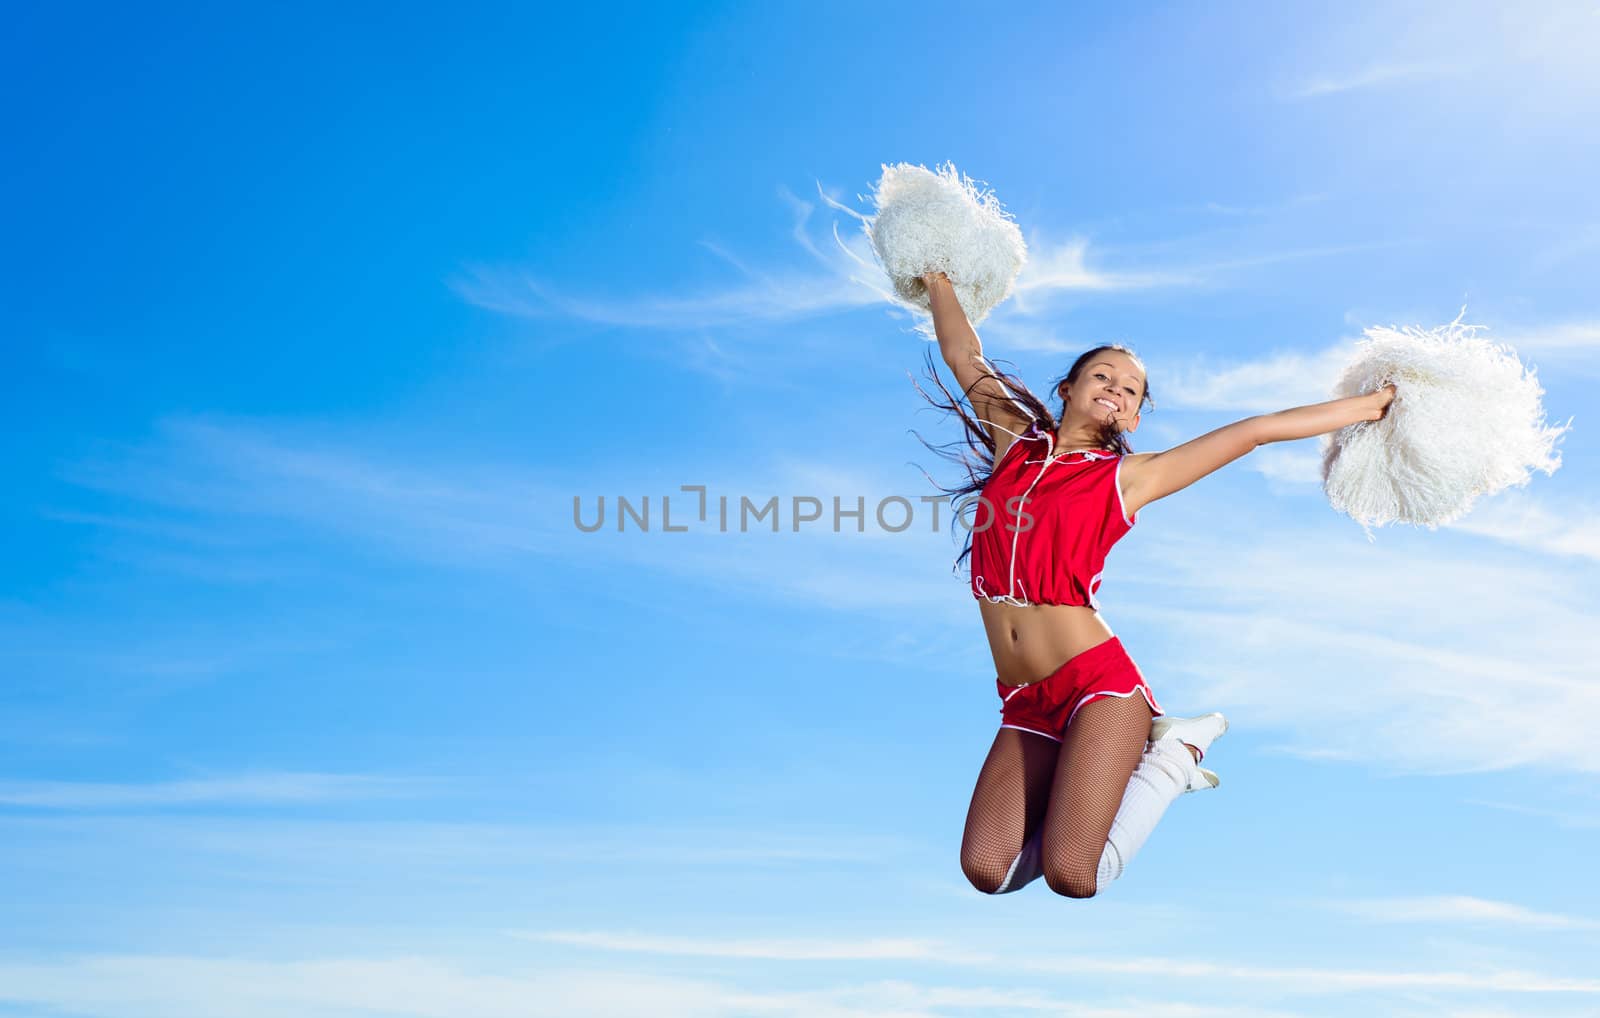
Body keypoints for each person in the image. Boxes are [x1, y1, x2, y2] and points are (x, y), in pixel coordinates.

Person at [916, 270, 1397, 898]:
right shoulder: (1016, 443)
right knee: (988, 871)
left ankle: (1175, 752)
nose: (1115, 389)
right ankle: (1086, 788)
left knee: (1072, 875)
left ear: (1137, 417)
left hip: (1098, 687)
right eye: (1102, 376)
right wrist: (935, 273)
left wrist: (1371, 406)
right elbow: (962, 353)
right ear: (1067, 387)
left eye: (1130, 389)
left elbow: (1254, 430)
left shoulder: (1128, 478)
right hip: (1024, 697)